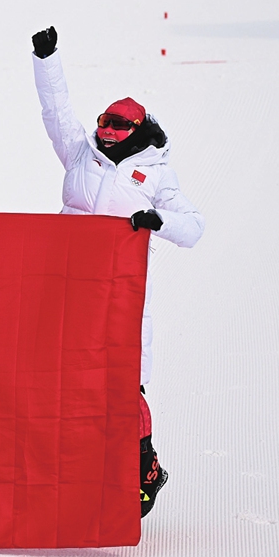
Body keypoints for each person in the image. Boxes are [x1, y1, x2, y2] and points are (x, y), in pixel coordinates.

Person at [29, 25, 204, 518]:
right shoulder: (80, 152)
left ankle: (143, 464)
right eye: (104, 122)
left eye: (117, 126)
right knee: (57, 381)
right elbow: (56, 112)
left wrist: (157, 221)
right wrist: (47, 59)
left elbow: (194, 226)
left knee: (123, 385)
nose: (105, 132)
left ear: (138, 131)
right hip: (64, 288)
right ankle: (67, 472)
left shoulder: (156, 173)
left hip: (118, 297)